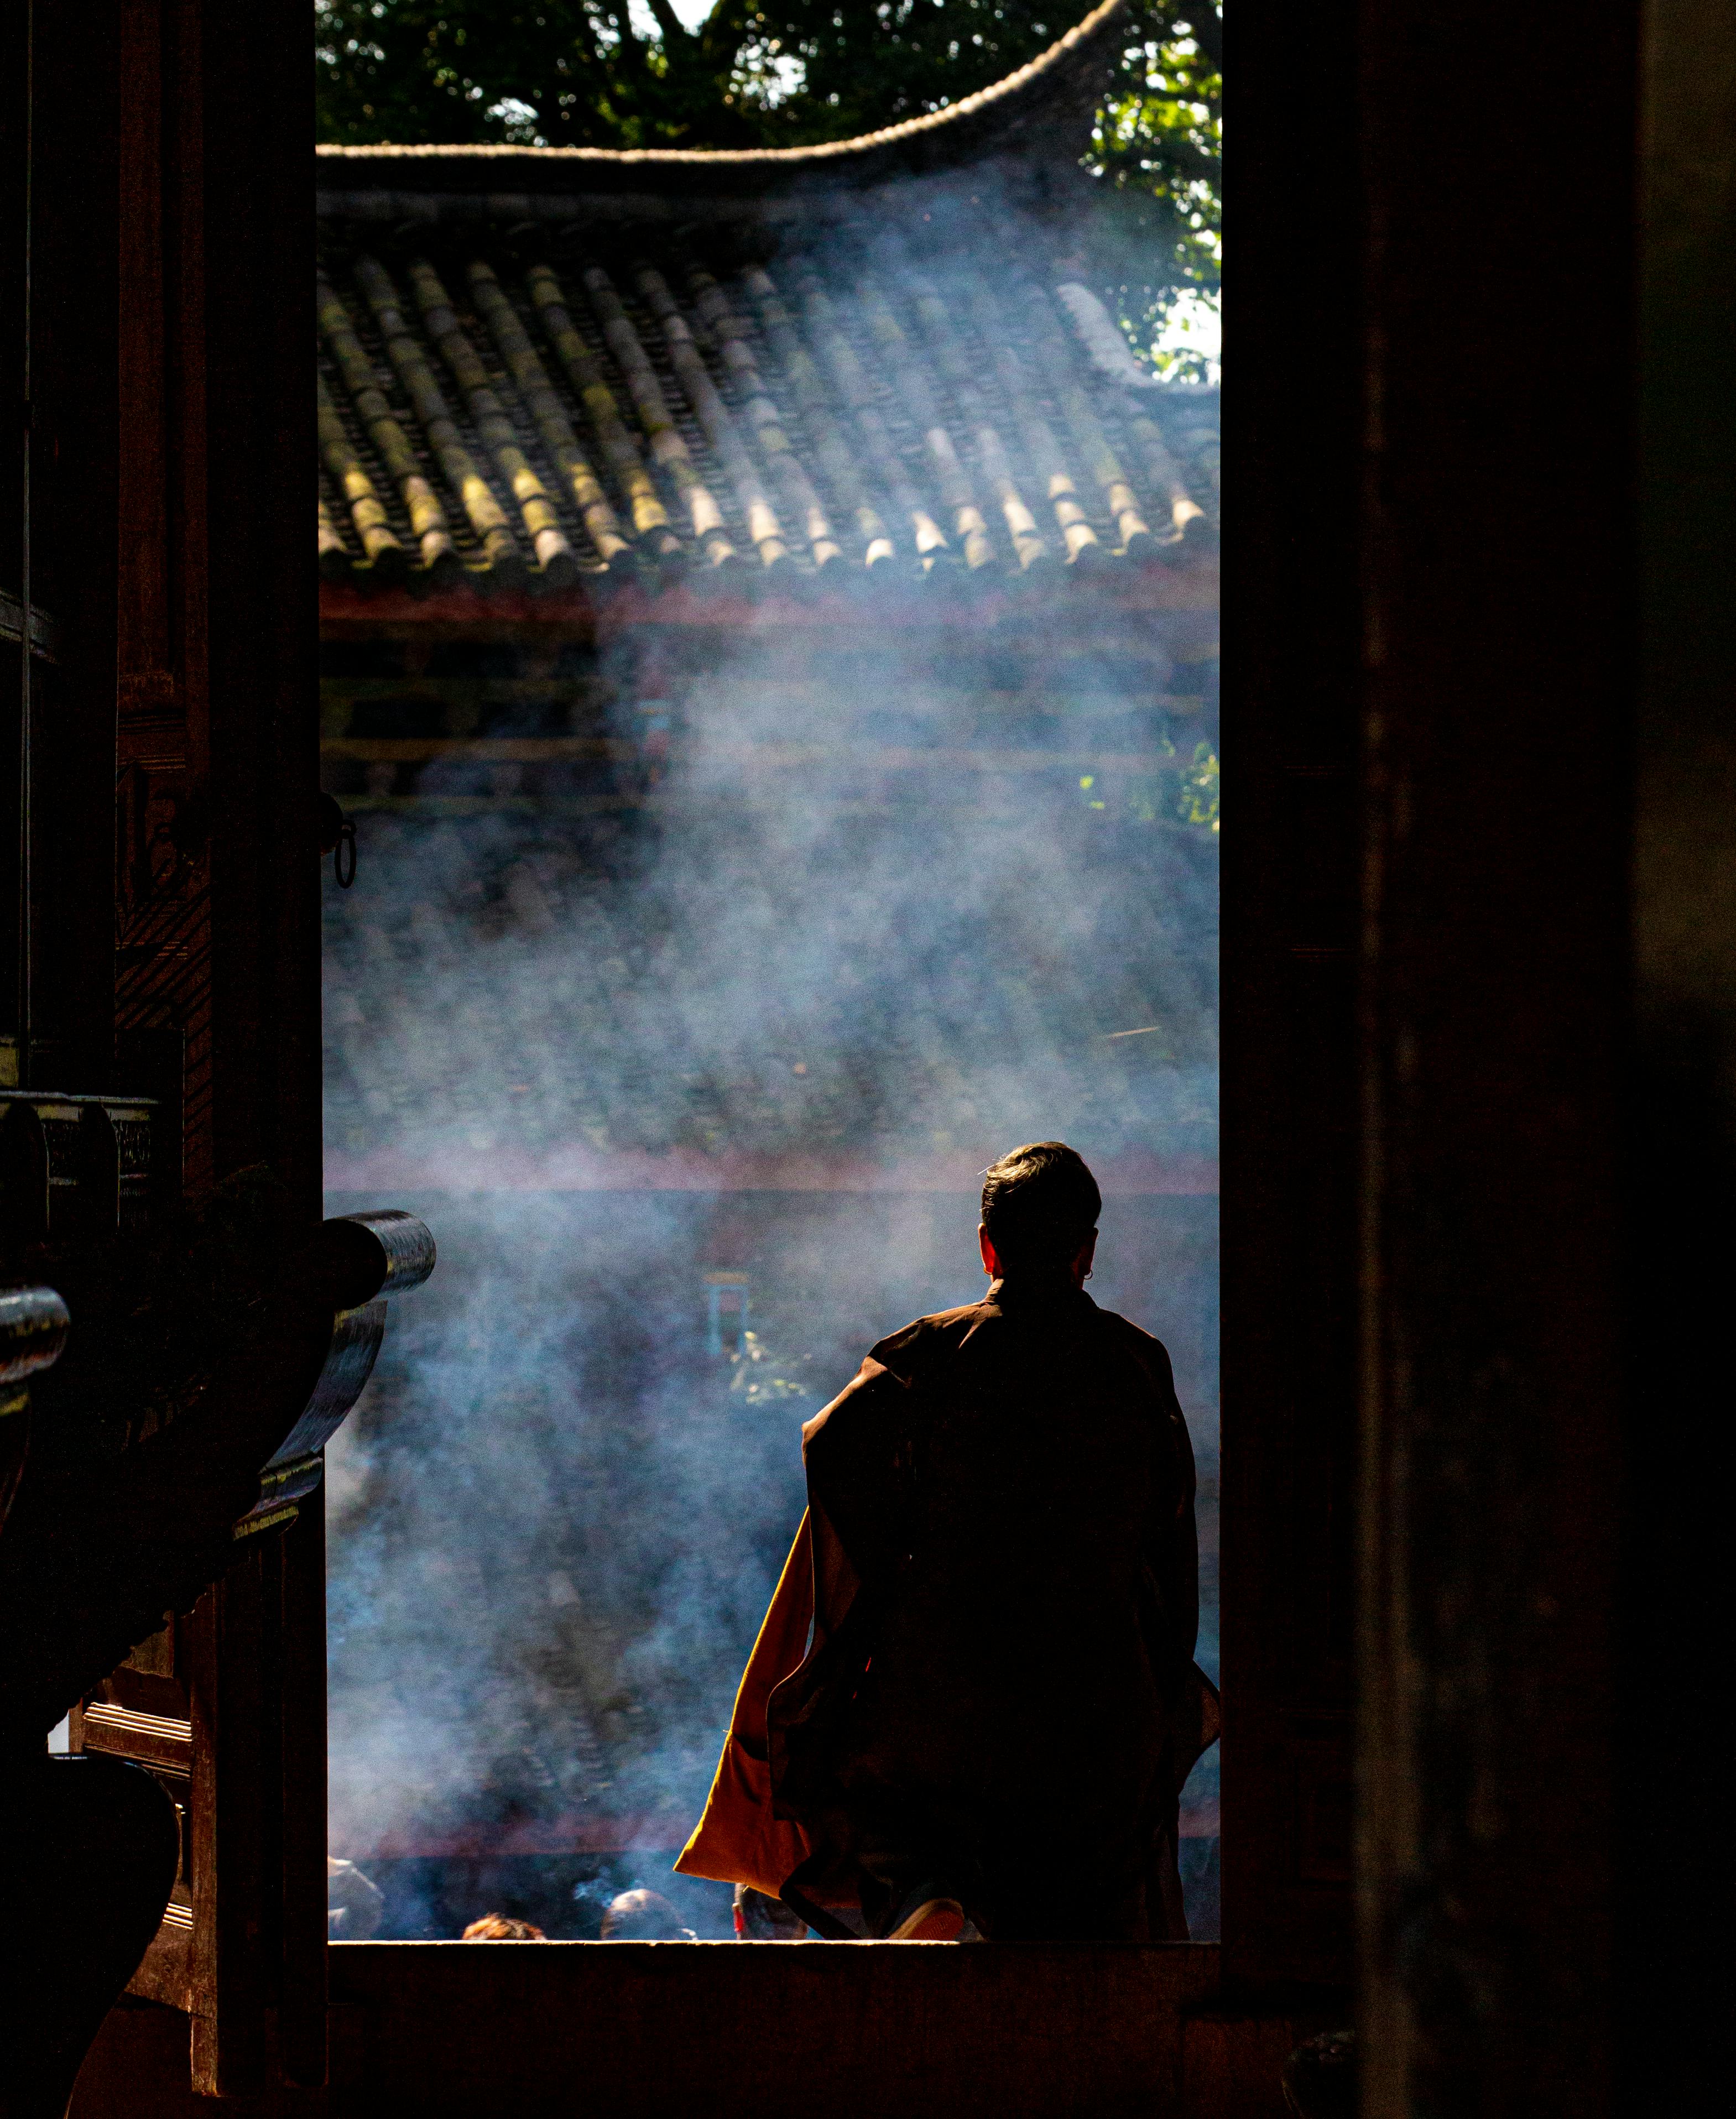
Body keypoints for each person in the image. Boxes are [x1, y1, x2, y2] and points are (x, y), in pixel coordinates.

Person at [675, 1142, 1219, 1943]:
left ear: (987, 1246)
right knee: (1088, 1872)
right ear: (1088, 1251)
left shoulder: (921, 1358)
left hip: (947, 1702)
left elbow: (838, 1470)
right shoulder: (1138, 1366)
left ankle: (924, 1888)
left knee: (887, 1800)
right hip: (1094, 1708)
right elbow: (1165, 1543)